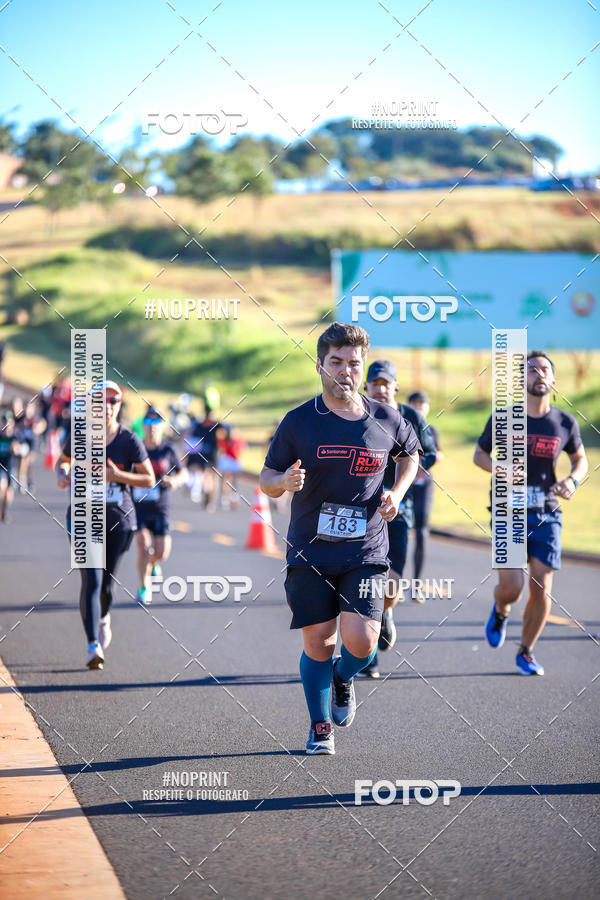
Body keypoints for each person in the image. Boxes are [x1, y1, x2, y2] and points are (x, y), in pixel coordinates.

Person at [260, 323, 421, 754]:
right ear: (320, 365)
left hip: (365, 548)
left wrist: (397, 493)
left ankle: (343, 677)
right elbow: (266, 477)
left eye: (353, 363)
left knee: (363, 642)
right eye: (336, 362)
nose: (345, 371)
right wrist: (284, 482)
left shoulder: (386, 418)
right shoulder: (298, 421)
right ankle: (319, 728)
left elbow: (411, 456)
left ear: (362, 367)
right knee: (318, 641)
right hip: (309, 548)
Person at [474, 351, 588, 676]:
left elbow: (580, 459)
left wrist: (573, 480)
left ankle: (526, 651)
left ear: (553, 380)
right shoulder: (503, 417)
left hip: (547, 512)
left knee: (542, 587)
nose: (538, 374)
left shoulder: (564, 422)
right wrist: (501, 469)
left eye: (544, 370)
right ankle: (500, 609)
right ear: (521, 380)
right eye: (531, 370)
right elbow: (479, 455)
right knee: (512, 588)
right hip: (508, 511)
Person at [56, 381, 155, 669]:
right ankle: (92, 646)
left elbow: (148, 478)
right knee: (92, 580)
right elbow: (64, 462)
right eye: (101, 402)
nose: (107, 407)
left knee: (106, 585)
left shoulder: (128, 440)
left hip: (118, 521)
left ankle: (103, 617)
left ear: (118, 406)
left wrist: (118, 477)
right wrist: (63, 474)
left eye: (113, 402)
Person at [359, 363, 438, 678]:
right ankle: (368, 656)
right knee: (364, 583)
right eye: (374, 383)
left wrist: (408, 466)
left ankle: (386, 614)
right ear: (366, 387)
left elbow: (429, 453)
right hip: (362, 512)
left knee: (391, 585)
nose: (380, 388)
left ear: (395, 387)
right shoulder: (357, 413)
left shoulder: (411, 418)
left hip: (397, 510)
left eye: (385, 383)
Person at [133, 408, 187, 604]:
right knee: (143, 547)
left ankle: (153, 563)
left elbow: (183, 473)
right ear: (143, 425)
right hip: (138, 507)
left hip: (161, 508)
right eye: (148, 422)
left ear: (163, 426)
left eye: (157, 423)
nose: (152, 427)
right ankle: (143, 588)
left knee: (161, 553)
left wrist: (175, 481)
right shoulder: (137, 448)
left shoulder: (168, 449)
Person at [407, 391, 442, 587]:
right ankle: (393, 583)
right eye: (415, 403)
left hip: (424, 487)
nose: (419, 407)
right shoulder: (402, 427)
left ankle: (417, 584)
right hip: (404, 486)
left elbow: (438, 452)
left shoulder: (432, 430)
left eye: (423, 404)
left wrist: (430, 460)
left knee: (421, 533)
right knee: (398, 531)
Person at [184, 410, 219, 507]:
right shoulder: (215, 426)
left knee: (209, 476)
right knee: (209, 476)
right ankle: (208, 496)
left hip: (209, 455)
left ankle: (208, 495)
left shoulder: (202, 426)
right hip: (207, 455)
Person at [216, 424, 246, 510]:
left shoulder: (238, 441)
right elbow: (222, 451)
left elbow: (240, 452)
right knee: (226, 480)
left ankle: (233, 498)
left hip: (234, 462)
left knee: (234, 481)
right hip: (227, 462)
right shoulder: (225, 441)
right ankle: (224, 498)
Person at [0, 411, 19, 522]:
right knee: (1, 488)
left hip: (11, 467)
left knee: (8, 492)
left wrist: (16, 449)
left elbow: (20, 449)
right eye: (5, 422)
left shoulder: (15, 437)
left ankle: (5, 510)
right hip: (1, 466)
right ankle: (1, 510)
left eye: (9, 422)